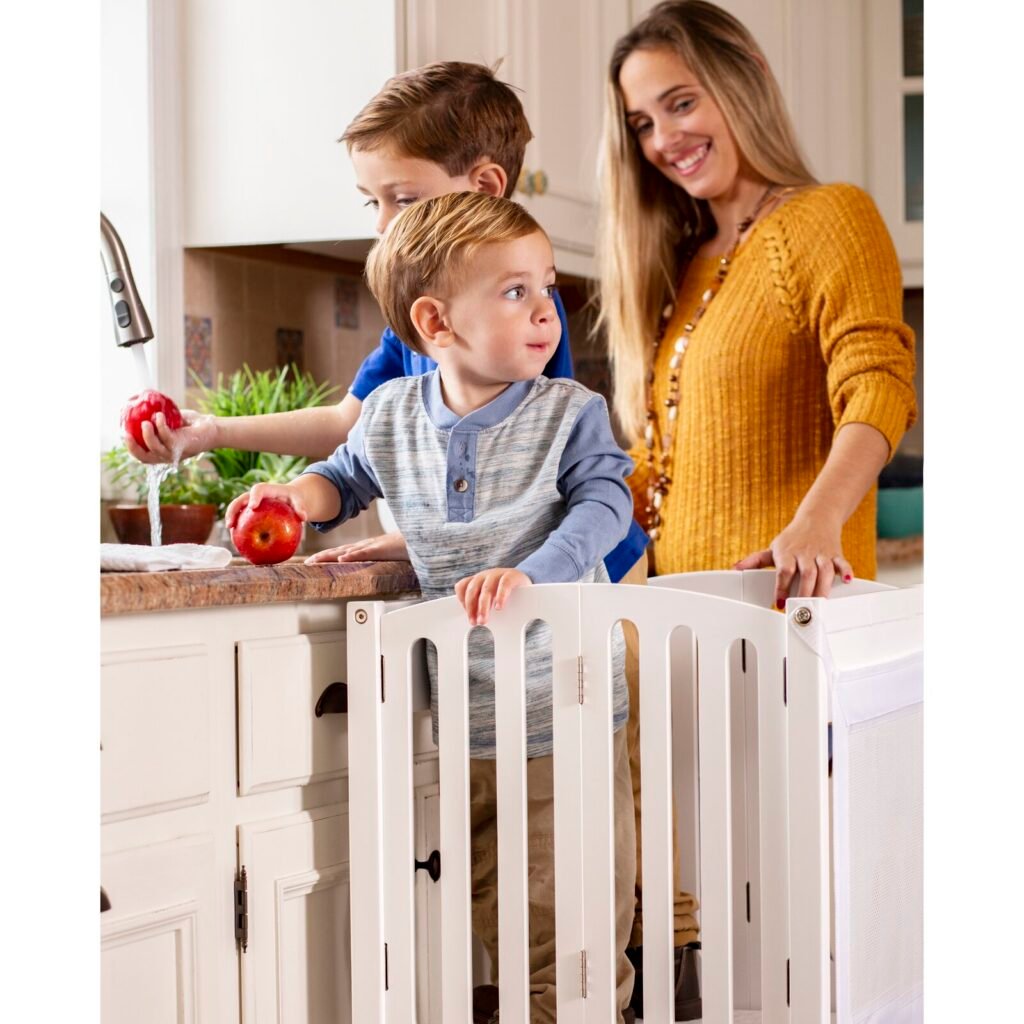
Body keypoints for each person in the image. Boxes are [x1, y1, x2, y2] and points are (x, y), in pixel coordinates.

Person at [226, 192, 639, 1024]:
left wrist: (537, 572)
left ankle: (594, 1013)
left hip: (565, 706)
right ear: (437, 322)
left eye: (547, 286)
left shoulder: (570, 413)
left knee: (571, 906)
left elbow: (607, 506)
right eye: (515, 291)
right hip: (463, 717)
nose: (546, 310)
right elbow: (340, 481)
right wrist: (297, 500)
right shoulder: (389, 417)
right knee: (492, 888)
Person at [597, 2, 917, 1017]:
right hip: (682, 638)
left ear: (740, 85)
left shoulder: (828, 218)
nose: (664, 138)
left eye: (680, 102)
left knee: (789, 925)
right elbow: (655, 470)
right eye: (642, 122)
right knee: (703, 934)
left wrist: (818, 516)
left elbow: (877, 383)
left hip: (785, 623)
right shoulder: (680, 268)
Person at [125, 59, 647, 584]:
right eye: (373, 201)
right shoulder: (423, 329)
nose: (381, 222)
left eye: (404, 198)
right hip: (496, 575)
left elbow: (531, 473)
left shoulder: (513, 314)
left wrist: (425, 539)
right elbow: (351, 429)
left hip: (594, 559)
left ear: (485, 187)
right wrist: (212, 433)